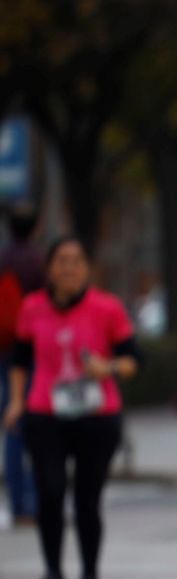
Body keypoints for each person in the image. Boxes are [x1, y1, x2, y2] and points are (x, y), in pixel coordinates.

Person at [3, 237, 139, 579]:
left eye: (77, 261)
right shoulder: (32, 308)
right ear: (49, 269)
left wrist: (105, 367)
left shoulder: (106, 308)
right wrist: (15, 401)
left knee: (87, 500)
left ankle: (90, 577)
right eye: (61, 261)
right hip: (46, 411)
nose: (69, 268)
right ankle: (52, 572)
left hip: (97, 414)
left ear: (87, 269)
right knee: (49, 492)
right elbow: (19, 359)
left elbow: (131, 361)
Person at [0, 203, 44, 528]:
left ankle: (19, 504)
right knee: (40, 425)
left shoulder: (3, 260)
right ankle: (40, 500)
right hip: (35, 352)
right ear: (37, 226)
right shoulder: (40, 262)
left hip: (4, 350)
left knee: (13, 425)